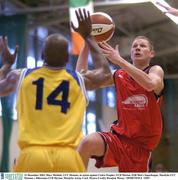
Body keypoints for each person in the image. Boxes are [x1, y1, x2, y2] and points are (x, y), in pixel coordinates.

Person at [0, 9, 111, 172]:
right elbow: (105, 72)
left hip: (32, 156)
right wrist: (88, 37)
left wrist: (6, 66)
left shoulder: (20, 76)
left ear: (42, 54)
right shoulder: (79, 80)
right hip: (68, 158)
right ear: (67, 59)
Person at [76, 36, 164, 172]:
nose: (138, 48)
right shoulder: (119, 75)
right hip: (119, 139)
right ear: (131, 52)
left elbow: (150, 84)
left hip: (141, 146)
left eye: (142, 46)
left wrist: (118, 60)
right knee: (87, 143)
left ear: (151, 54)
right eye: (134, 46)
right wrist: (86, 43)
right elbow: (82, 79)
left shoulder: (155, 70)